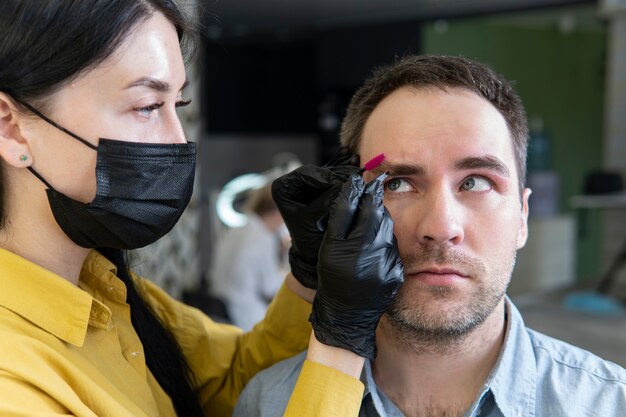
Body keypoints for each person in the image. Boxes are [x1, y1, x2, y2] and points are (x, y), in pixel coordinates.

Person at [0, 1, 404, 416]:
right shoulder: (10, 382)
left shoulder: (111, 291)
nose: (178, 143)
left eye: (178, 106)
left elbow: (234, 379)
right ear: (11, 127)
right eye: (146, 106)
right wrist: (341, 341)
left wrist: (308, 271)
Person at [234, 55, 626, 417]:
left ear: (522, 217)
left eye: (475, 182)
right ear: (345, 206)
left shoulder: (609, 404)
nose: (440, 228)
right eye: (399, 183)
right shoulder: (269, 404)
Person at [210, 184, 289, 330]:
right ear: (277, 213)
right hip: (247, 318)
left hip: (219, 312)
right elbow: (270, 288)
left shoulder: (235, 230)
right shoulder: (264, 239)